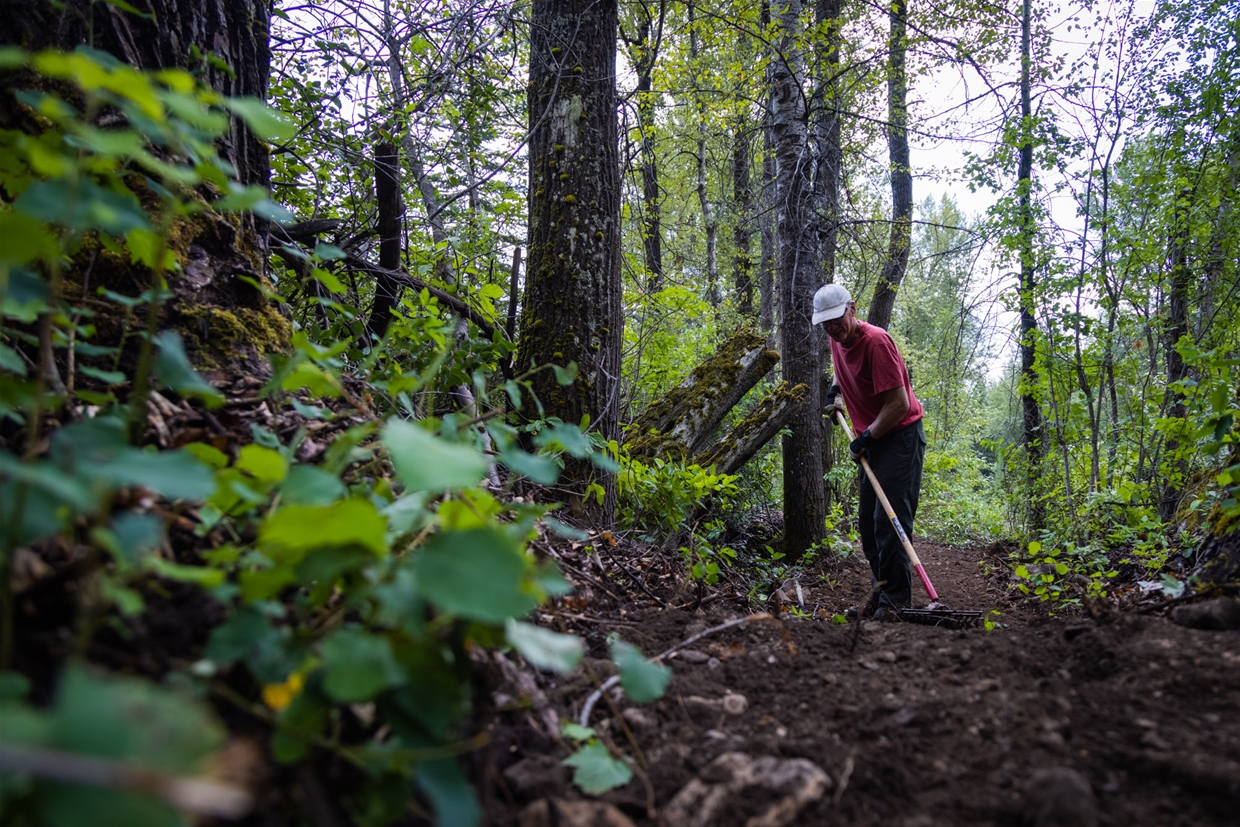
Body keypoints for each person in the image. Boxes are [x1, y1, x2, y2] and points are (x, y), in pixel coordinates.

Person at [812, 283, 926, 620]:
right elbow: (842, 366)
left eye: (837, 320)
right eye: (826, 324)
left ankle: (895, 599)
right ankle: (881, 592)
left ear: (853, 309)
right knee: (867, 524)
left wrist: (867, 438)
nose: (833, 328)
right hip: (873, 438)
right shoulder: (837, 337)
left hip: (899, 437)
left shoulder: (876, 343)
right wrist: (835, 391)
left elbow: (899, 404)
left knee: (889, 521)